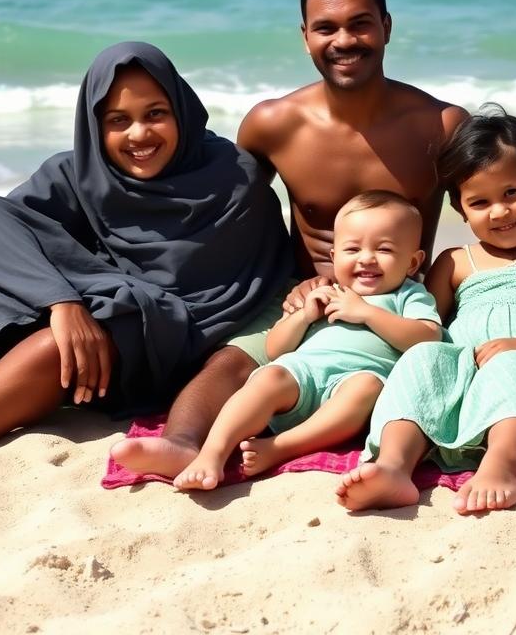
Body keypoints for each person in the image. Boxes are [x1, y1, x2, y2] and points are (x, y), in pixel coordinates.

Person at [0, 42, 292, 471]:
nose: (139, 134)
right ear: (95, 125)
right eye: (118, 120)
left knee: (57, 348)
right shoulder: (77, 171)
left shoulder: (231, 178)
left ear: (182, 110)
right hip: (88, 300)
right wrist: (62, 302)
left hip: (166, 331)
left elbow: (235, 296)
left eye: (156, 114)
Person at [111, 0, 466, 480]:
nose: (344, 40)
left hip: (399, 303)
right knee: (234, 362)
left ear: (387, 26)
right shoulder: (273, 123)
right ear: (305, 37)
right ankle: (184, 445)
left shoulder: (440, 125)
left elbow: (493, 209)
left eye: (360, 23)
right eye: (326, 28)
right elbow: (218, 210)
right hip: (302, 296)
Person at [335, 109, 516, 514]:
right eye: (480, 202)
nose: (499, 212)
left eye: (511, 193)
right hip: (467, 384)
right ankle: (394, 466)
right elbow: (419, 323)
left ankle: (503, 463)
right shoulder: (456, 260)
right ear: (460, 208)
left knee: (514, 365)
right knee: (424, 356)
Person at [175, 190, 442, 491]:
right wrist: (302, 317)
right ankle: (213, 452)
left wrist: (367, 313)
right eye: (352, 249)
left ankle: (279, 447)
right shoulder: (326, 293)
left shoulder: (408, 294)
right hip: (302, 375)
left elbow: (428, 336)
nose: (366, 258)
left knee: (366, 387)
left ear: (412, 262)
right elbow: (275, 349)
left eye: (384, 250)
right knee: (269, 375)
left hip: (354, 383)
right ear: (333, 257)